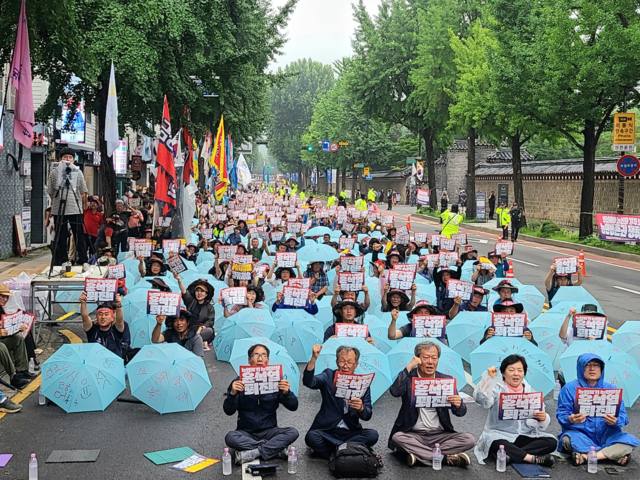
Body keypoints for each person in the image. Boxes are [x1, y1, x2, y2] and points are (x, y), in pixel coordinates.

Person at [388, 341, 474, 468]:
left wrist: (459, 404)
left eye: (434, 358)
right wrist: (409, 367)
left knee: (469, 439)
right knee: (398, 438)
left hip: (439, 435)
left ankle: (420, 455)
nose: (430, 362)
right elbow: (395, 391)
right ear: (418, 359)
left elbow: (460, 413)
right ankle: (445, 458)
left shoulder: (445, 380)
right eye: (426, 357)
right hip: (413, 433)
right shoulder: (409, 378)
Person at [557, 353, 639, 466]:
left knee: (629, 441)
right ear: (580, 368)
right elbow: (561, 414)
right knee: (567, 439)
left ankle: (586, 456)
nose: (592, 368)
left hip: (608, 435)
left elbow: (623, 416)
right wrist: (571, 419)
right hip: (580, 434)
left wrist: (616, 421)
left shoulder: (611, 389)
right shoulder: (568, 388)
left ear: (601, 369)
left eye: (596, 365)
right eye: (587, 365)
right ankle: (611, 455)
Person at [473, 355, 556, 467]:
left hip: (523, 435)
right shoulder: (496, 388)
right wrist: (488, 379)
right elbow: (483, 400)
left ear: (524, 373)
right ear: (503, 373)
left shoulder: (530, 390)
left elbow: (540, 419)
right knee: (498, 444)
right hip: (499, 434)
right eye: (511, 370)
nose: (516, 373)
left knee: (551, 442)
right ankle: (531, 458)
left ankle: (510, 456)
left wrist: (543, 417)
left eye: (520, 370)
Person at [223, 344, 299, 465]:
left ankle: (254, 452)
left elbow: (293, 406)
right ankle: (275, 450)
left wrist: (287, 393)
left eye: (264, 355)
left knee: (293, 432)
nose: (260, 358)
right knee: (230, 437)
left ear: (267, 361)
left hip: (270, 431)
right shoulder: (238, 381)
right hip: (246, 432)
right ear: (249, 360)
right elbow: (228, 411)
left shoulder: (276, 380)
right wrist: (232, 393)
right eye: (256, 355)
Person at [303, 344, 379, 459]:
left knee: (373, 435)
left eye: (349, 362)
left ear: (356, 364)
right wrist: (313, 359)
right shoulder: (328, 375)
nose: (345, 366)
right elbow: (309, 382)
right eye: (342, 361)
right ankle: (348, 451)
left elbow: (367, 415)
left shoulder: (362, 383)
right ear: (337, 361)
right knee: (311, 437)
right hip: (327, 430)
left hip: (350, 432)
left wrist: (361, 408)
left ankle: (335, 452)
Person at [47, 147, 89, 265]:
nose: (67, 159)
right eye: (65, 157)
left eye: (70, 157)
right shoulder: (54, 172)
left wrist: (84, 204)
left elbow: (83, 190)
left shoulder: (78, 171)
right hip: (59, 208)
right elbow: (50, 190)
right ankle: (63, 260)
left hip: (75, 207)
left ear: (73, 159)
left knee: (79, 234)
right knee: (61, 234)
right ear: (60, 159)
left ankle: (83, 259)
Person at [79, 292, 130, 360]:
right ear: (96, 317)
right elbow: (85, 316)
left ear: (112, 318)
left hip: (113, 364)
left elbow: (120, 321)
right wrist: (83, 303)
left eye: (106, 314)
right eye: (100, 314)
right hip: (96, 363)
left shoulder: (116, 331)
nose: (103, 317)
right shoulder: (92, 330)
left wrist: (118, 305)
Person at [0, 285, 33, 389]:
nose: (5, 299)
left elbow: (5, 326)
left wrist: (17, 327)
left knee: (18, 338)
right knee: (2, 347)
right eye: (3, 296)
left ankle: (22, 371)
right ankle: (13, 376)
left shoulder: (1, 309)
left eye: (7, 297)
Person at [174, 276, 215, 344]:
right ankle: (194, 341)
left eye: (202, 291)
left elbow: (210, 321)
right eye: (197, 291)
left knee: (209, 331)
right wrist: (179, 280)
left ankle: (191, 340)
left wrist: (201, 328)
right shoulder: (191, 301)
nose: (199, 293)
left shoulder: (210, 307)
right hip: (188, 329)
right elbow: (184, 292)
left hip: (201, 330)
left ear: (206, 294)